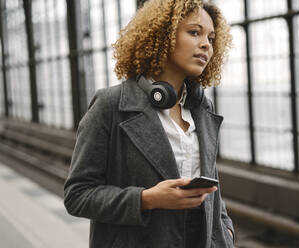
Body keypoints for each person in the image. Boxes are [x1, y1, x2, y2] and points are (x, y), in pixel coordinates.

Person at [63, 0, 234, 247]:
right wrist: (146, 199)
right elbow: (77, 195)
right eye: (194, 32)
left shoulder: (201, 108)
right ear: (163, 35)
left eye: (211, 37)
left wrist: (226, 231)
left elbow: (212, 187)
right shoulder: (111, 105)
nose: (206, 44)